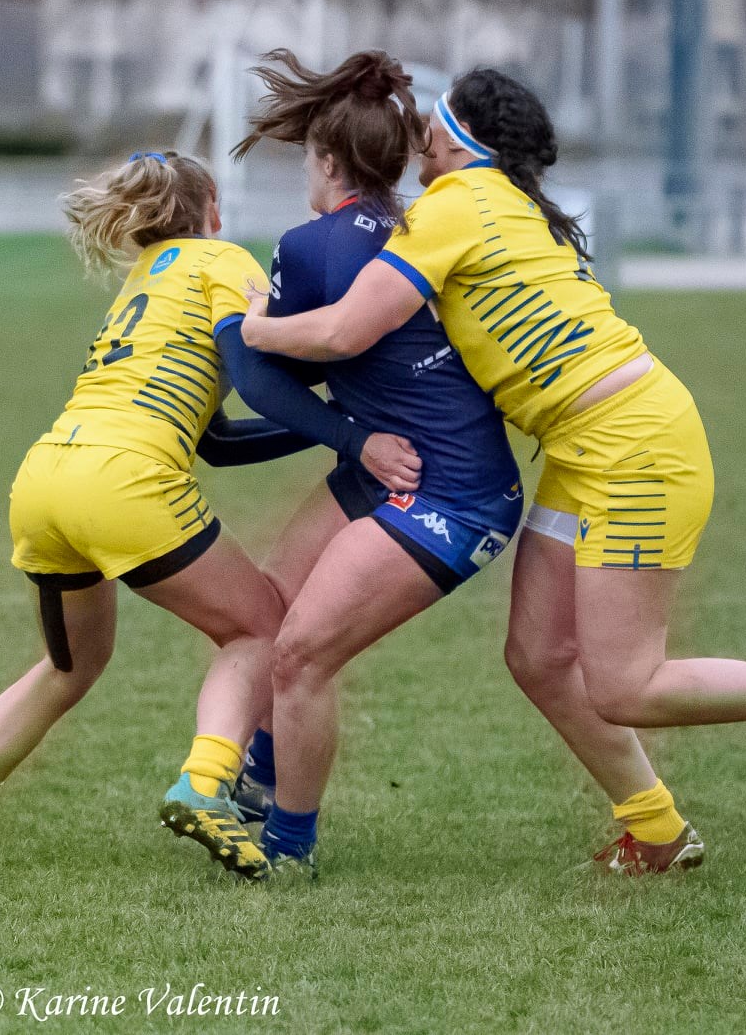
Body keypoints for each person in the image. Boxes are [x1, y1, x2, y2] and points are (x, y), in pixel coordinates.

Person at [241, 67, 746, 874]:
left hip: (634, 450)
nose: (421, 140)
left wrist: (254, 329)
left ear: (458, 139)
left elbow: (344, 333)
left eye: (432, 127)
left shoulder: (455, 203)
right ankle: (657, 830)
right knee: (536, 656)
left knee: (625, 685)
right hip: (590, 447)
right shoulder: (498, 200)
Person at [0, 149, 419, 880]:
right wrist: (352, 434)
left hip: (46, 478)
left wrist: (335, 430)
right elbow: (256, 380)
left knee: (69, 667)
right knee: (260, 629)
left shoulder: (144, 278)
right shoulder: (223, 261)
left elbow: (218, 442)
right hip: (126, 480)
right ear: (211, 207)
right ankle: (206, 785)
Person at [210, 51, 526, 879]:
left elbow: (263, 379)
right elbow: (342, 366)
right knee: (274, 609)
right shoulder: (417, 230)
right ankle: (260, 781)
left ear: (326, 162)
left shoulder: (311, 246)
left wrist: (229, 326)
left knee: (300, 653)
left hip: (448, 491)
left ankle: (288, 847)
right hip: (411, 459)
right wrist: (355, 438)